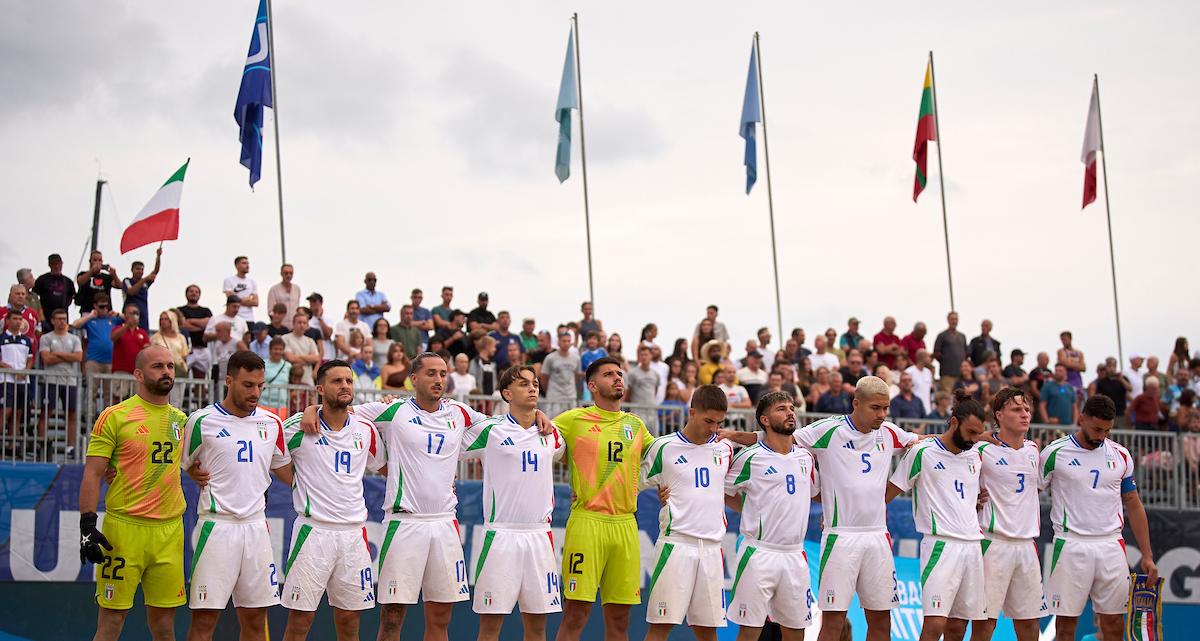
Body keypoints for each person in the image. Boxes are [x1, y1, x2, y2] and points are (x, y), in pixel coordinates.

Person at [296, 353, 548, 641]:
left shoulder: (460, 413)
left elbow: (505, 424)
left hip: (444, 523)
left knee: (441, 617)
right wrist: (312, 409)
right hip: (405, 522)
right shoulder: (393, 411)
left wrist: (536, 413)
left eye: (443, 373)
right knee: (392, 617)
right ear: (413, 379)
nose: (439, 379)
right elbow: (340, 409)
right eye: (431, 373)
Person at [729, 376, 920, 641]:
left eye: (885, 408)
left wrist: (977, 440)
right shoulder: (827, 430)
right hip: (840, 536)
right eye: (876, 408)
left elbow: (926, 442)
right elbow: (780, 438)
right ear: (856, 403)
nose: (882, 414)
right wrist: (732, 435)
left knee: (881, 618)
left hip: (877, 535)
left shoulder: (889, 432)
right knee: (834, 621)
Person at [78, 345, 190, 641]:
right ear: (139, 374)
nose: (166, 371)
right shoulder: (115, 416)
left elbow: (197, 462)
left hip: (169, 532)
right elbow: (92, 472)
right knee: (111, 624)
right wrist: (87, 525)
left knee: (165, 627)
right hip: (125, 530)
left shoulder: (181, 420)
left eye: (170, 365)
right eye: (158, 366)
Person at [181, 351, 290, 641]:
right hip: (217, 527)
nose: (255, 392)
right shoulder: (201, 420)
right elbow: (181, 464)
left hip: (256, 528)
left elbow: (288, 473)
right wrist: (192, 472)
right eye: (247, 385)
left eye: (260, 386)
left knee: (255, 620)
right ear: (229, 381)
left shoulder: (271, 422)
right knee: (204, 621)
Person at [278, 360, 385, 641]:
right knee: (300, 619)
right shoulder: (297, 427)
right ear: (321, 389)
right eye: (337, 381)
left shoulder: (365, 429)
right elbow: (272, 458)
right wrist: (297, 481)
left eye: (348, 381)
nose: (345, 386)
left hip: (353, 534)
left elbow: (385, 466)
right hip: (314, 532)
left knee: (350, 619)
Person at [1039, 395, 1158, 641]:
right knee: (1065, 625)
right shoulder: (1054, 453)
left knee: (1114, 623)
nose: (1101, 435)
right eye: (1096, 429)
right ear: (1081, 418)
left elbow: (1134, 504)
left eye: (1106, 430)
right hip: (1070, 544)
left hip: (1111, 545)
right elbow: (1029, 493)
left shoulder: (1121, 455)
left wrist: (1147, 555)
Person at [554, 357, 656, 641]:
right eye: (609, 374)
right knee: (575, 613)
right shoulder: (573, 419)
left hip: (625, 524)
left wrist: (665, 483)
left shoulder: (635, 425)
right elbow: (539, 439)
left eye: (620, 374)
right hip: (588, 521)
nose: (618, 378)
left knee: (621, 619)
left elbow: (663, 458)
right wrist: (537, 416)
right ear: (592, 385)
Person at [461, 365, 565, 641]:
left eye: (534, 383)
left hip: (539, 536)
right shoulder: (490, 430)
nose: (532, 388)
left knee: (537, 627)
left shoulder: (551, 434)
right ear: (507, 393)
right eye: (523, 384)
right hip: (501, 535)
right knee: (490, 626)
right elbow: (444, 445)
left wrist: (542, 417)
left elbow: (567, 452)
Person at [886, 389, 988, 641]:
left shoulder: (975, 455)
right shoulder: (923, 452)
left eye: (979, 433)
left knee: (958, 627)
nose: (976, 439)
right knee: (934, 625)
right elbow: (886, 495)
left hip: (972, 546)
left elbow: (963, 495)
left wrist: (973, 503)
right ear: (954, 422)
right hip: (940, 545)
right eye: (971, 432)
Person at [944, 387, 1045, 641]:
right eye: (1016, 409)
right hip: (993, 542)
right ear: (999, 415)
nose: (1025, 414)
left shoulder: (1034, 449)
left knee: (1030, 624)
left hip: (1027, 545)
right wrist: (974, 500)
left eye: (1027, 409)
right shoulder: (980, 449)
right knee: (984, 623)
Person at [640, 385, 733, 641]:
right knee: (660, 628)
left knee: (707, 632)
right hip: (676, 545)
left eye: (719, 422)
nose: (714, 428)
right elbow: (630, 485)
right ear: (691, 412)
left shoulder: (725, 449)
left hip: (713, 549)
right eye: (708, 421)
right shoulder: (663, 447)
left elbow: (735, 491)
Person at [725, 391, 819, 641]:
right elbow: (721, 490)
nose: (790, 412)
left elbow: (814, 494)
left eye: (791, 408)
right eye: (781, 409)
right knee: (749, 632)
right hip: (759, 553)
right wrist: (748, 507)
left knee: (796, 632)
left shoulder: (805, 457)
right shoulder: (749, 457)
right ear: (764, 420)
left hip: (795, 556)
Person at [37, 308, 83, 456]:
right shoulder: (46, 338)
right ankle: (42, 445)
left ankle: (70, 447)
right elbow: (46, 359)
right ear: (52, 321)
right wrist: (67, 356)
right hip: (50, 380)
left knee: (71, 414)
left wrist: (57, 354)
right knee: (46, 413)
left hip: (70, 381)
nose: (62, 321)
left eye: (64, 318)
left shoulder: (74, 339)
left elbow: (78, 357)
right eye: (59, 319)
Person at [1, 309, 34, 444]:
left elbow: (30, 359)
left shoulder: (26, 340)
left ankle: (12, 445)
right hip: (6, 380)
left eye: (20, 319)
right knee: (5, 411)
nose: (18, 322)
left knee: (18, 413)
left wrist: (25, 371)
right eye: (14, 319)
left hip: (22, 381)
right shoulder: (1, 338)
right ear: (7, 321)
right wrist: (11, 370)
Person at [72, 294, 121, 376]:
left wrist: (118, 314)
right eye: (101, 307)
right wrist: (90, 316)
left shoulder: (113, 319)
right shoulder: (90, 320)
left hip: (110, 361)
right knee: (92, 388)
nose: (105, 309)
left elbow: (130, 320)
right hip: (93, 360)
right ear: (95, 306)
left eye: (106, 306)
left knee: (109, 388)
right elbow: (75, 324)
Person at [33, 254, 76, 332]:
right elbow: (34, 296)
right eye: (53, 264)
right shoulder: (42, 280)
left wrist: (64, 306)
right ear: (49, 265)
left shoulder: (68, 281)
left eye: (58, 264)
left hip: (62, 317)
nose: (56, 266)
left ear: (62, 264)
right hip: (46, 317)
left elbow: (71, 296)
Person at [120, 248, 161, 330]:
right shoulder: (127, 280)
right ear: (132, 270)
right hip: (130, 316)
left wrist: (158, 256)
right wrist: (144, 279)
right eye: (137, 269)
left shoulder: (145, 283)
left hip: (143, 317)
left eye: (142, 269)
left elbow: (155, 271)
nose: (140, 271)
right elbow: (131, 292)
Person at [541, 332, 581, 414]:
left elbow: (577, 376)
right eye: (564, 341)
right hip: (554, 397)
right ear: (558, 342)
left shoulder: (576, 358)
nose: (566, 343)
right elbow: (544, 377)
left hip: (571, 397)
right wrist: (547, 391)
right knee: (553, 423)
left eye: (568, 341)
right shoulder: (550, 358)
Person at [178, 285, 213, 374]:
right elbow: (182, 325)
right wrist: (201, 326)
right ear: (186, 294)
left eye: (196, 292)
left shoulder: (206, 311)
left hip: (202, 349)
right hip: (186, 350)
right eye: (191, 291)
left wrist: (190, 320)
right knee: (182, 374)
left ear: (199, 295)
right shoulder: (180, 310)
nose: (194, 293)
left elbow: (209, 323)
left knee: (201, 379)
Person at [282, 311, 320, 385]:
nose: (302, 325)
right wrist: (308, 360)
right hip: (290, 379)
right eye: (299, 322)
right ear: (293, 324)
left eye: (304, 323)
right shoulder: (285, 338)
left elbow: (316, 358)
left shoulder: (310, 341)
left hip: (308, 379)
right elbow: (291, 359)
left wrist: (297, 357)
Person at [110, 303, 150, 375]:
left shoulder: (143, 332)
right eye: (131, 313)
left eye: (136, 313)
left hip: (137, 371)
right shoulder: (118, 328)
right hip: (121, 371)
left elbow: (147, 348)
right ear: (125, 315)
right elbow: (113, 337)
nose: (134, 316)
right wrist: (127, 325)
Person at [76, 250, 119, 315]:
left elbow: (120, 286)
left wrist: (114, 275)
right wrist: (92, 271)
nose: (97, 262)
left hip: (105, 311)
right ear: (90, 261)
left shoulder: (107, 277)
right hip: (87, 310)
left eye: (99, 260)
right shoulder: (83, 274)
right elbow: (80, 282)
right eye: (95, 260)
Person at [933, 312, 968, 391]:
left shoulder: (962, 336)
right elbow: (936, 353)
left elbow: (966, 353)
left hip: (961, 375)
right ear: (948, 320)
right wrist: (946, 360)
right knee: (947, 398)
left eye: (956, 319)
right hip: (947, 374)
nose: (954, 321)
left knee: (961, 399)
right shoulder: (942, 335)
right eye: (952, 319)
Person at [150, 310, 190, 378]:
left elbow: (184, 355)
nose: (163, 321)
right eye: (161, 319)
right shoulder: (155, 338)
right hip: (161, 370)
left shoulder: (181, 338)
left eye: (166, 319)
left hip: (177, 370)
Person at [1094, 358, 1132, 427]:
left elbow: (1130, 389)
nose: (1112, 368)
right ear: (1106, 367)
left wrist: (1121, 379)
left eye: (1114, 366)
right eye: (1109, 366)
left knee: (1122, 436)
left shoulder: (1123, 378)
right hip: (1107, 415)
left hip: (1121, 414)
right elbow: (1098, 397)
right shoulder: (1102, 381)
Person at [222, 255, 259, 323]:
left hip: (249, 319)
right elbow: (232, 300)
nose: (247, 266)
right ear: (237, 265)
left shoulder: (252, 282)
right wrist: (247, 299)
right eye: (244, 263)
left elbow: (256, 302)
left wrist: (238, 298)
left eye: (248, 263)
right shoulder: (229, 280)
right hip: (235, 318)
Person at [261, 338, 291, 416]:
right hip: (263, 404)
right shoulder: (262, 364)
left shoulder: (288, 366)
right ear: (270, 350)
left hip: (281, 406)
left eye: (280, 349)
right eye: (275, 349)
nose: (278, 351)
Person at [305, 293, 336, 361]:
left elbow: (328, 334)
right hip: (312, 354)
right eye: (311, 301)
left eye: (314, 301)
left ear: (321, 303)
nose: (312, 304)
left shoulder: (327, 318)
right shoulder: (307, 319)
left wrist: (319, 318)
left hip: (327, 355)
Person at [905, 349, 935, 416]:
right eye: (928, 357)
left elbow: (930, 391)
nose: (930, 359)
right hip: (914, 408)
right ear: (923, 358)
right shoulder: (909, 371)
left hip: (927, 410)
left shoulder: (928, 372)